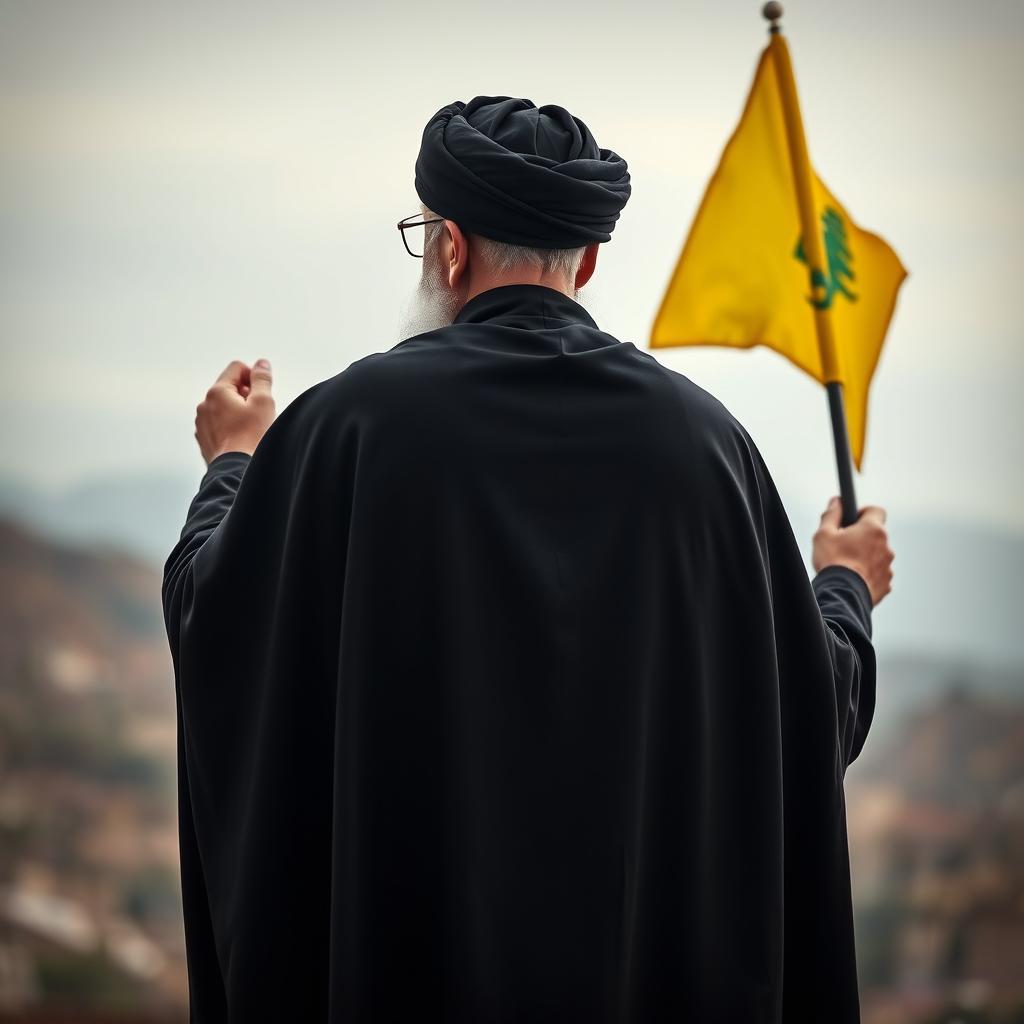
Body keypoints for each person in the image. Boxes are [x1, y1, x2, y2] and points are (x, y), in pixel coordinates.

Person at [163, 95, 895, 1023]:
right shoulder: (706, 449)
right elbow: (802, 714)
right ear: (587, 260)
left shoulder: (346, 429)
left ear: (451, 248)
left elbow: (215, 632)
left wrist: (234, 465)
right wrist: (843, 585)